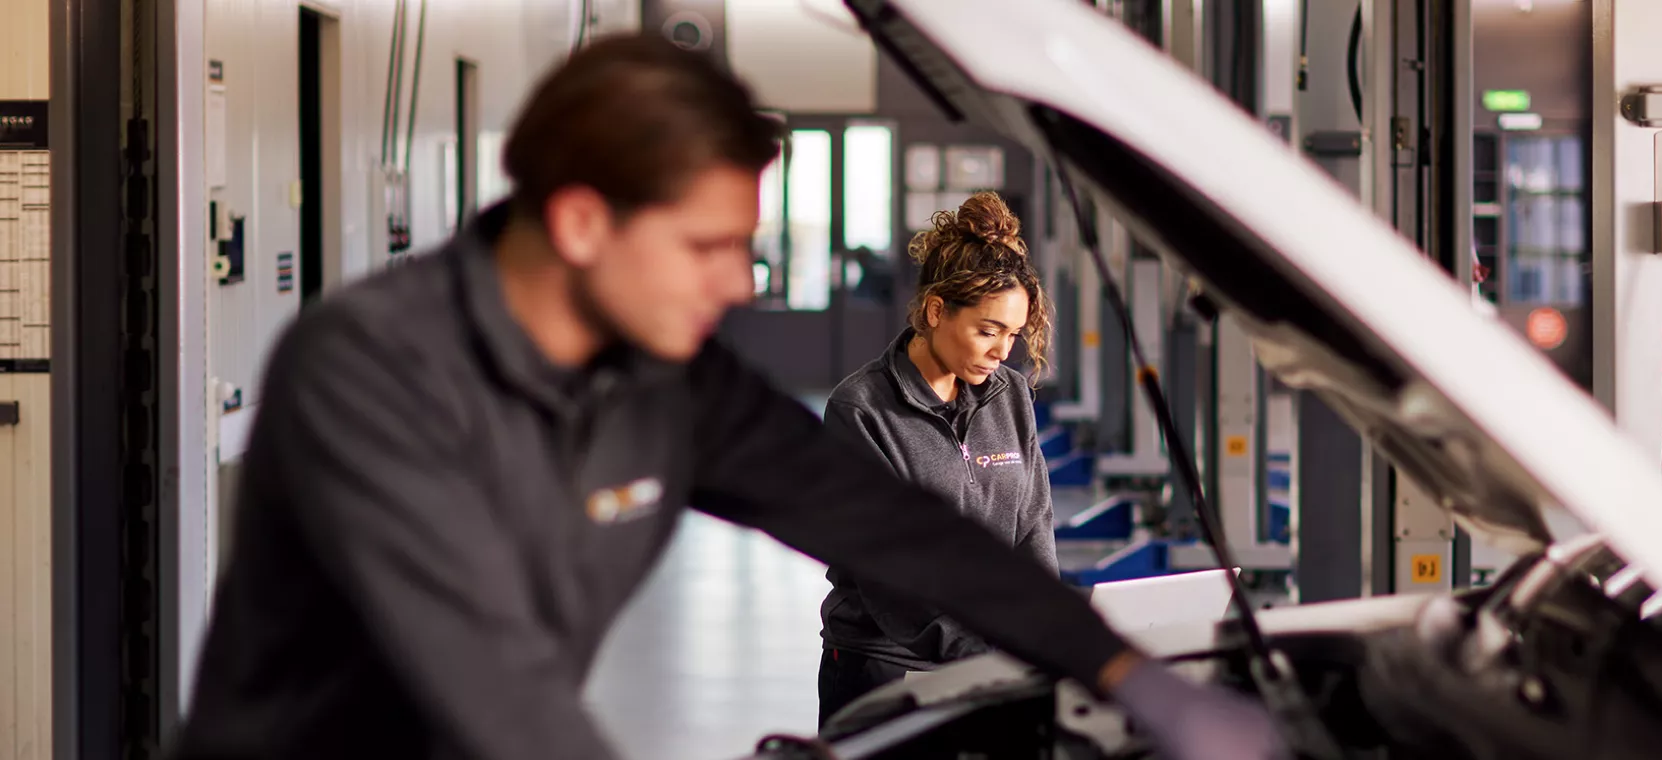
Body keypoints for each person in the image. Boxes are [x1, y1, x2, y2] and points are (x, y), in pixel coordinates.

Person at [168, 33, 1286, 760]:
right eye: (709, 244)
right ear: (580, 223)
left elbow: (889, 522)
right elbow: (492, 695)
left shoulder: (661, 376)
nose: (740, 280)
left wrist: (1121, 670)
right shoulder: (366, 376)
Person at [816, 192, 1059, 724]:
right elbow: (888, 574)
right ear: (935, 311)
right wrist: (990, 654)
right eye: (988, 331)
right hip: (886, 668)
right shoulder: (862, 410)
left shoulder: (1010, 393)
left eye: (1014, 335)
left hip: (993, 662)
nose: (1002, 352)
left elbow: (1033, 525)